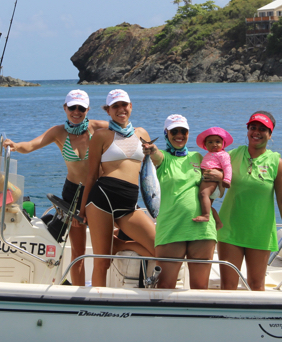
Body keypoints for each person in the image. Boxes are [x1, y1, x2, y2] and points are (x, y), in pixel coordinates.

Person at [2, 89, 107, 286]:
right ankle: (79, 291)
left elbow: (125, 130)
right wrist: (14, 145)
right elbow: (32, 145)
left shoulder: (98, 127)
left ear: (88, 109)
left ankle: (102, 288)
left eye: (81, 108)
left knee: (104, 242)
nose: (76, 111)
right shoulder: (58, 132)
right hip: (73, 194)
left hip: (97, 191)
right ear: (65, 108)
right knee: (78, 249)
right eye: (72, 107)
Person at [79, 89, 156, 288]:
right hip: (101, 200)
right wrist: (81, 211)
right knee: (102, 262)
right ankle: (97, 307)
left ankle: (120, 245)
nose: (121, 109)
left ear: (130, 106)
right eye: (115, 106)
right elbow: (92, 175)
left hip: (130, 204)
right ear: (108, 110)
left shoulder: (142, 134)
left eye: (124, 105)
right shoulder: (101, 135)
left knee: (160, 250)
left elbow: (154, 170)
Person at [216, 111, 282, 291]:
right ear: (247, 130)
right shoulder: (231, 156)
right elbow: (208, 176)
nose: (256, 132)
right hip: (230, 230)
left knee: (257, 285)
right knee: (228, 286)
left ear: (270, 134)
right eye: (253, 128)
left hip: (260, 232)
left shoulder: (277, 163)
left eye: (262, 129)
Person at [142, 114, 217, 289]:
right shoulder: (163, 159)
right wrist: (151, 149)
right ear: (166, 133)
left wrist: (220, 176)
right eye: (174, 131)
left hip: (202, 230)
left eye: (183, 131)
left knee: (200, 289)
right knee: (165, 288)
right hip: (171, 228)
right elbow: (156, 155)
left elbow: (212, 186)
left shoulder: (198, 157)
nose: (179, 135)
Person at [193, 127, 233, 229]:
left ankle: (206, 216)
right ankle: (218, 222)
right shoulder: (209, 154)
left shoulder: (223, 155)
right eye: (210, 142)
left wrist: (227, 180)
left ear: (223, 143)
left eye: (217, 142)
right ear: (205, 145)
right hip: (208, 181)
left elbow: (227, 167)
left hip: (212, 181)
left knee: (203, 194)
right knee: (208, 206)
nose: (214, 144)